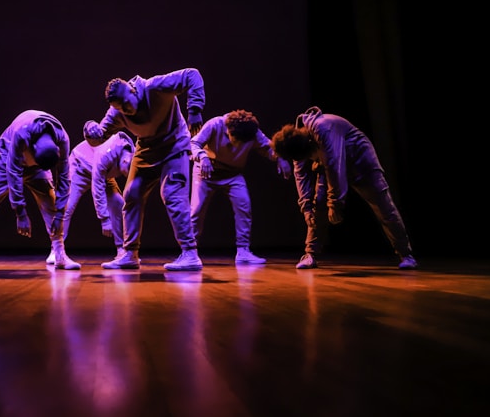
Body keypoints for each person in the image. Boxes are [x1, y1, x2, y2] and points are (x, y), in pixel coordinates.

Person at [83, 68, 206, 271]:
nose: (125, 110)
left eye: (126, 104)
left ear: (132, 90)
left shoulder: (154, 87)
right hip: (147, 150)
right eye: (120, 108)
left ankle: (190, 254)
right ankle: (130, 254)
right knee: (131, 194)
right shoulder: (117, 112)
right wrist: (90, 130)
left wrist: (195, 110)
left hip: (174, 145)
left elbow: (191, 75)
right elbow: (99, 137)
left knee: (173, 194)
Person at [270, 106, 417, 270]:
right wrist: (306, 208)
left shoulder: (322, 128)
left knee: (383, 207)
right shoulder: (296, 142)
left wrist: (335, 204)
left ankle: (406, 255)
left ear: (309, 145)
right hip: (328, 164)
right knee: (318, 205)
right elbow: (301, 175)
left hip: (360, 161)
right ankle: (310, 254)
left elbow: (334, 165)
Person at [0, 110, 80, 271]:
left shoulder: (62, 139)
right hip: (6, 160)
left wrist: (59, 215)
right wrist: (20, 212)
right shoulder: (21, 134)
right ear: (32, 148)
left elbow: (64, 178)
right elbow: (13, 171)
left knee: (51, 203)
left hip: (37, 168)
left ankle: (59, 254)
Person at [189, 109, 293, 264]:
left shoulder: (252, 132)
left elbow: (268, 147)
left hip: (232, 174)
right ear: (229, 130)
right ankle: (189, 251)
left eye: (242, 143)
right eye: (235, 139)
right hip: (206, 172)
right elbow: (194, 143)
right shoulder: (215, 124)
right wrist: (202, 156)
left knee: (244, 207)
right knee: (196, 210)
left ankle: (243, 251)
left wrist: (280, 158)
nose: (237, 144)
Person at [45, 130, 134, 265]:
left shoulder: (132, 154)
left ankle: (122, 249)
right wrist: (104, 219)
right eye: (124, 172)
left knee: (118, 203)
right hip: (80, 167)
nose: (124, 175)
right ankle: (55, 250)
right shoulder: (105, 155)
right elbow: (97, 188)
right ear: (125, 161)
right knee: (66, 206)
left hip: (103, 174)